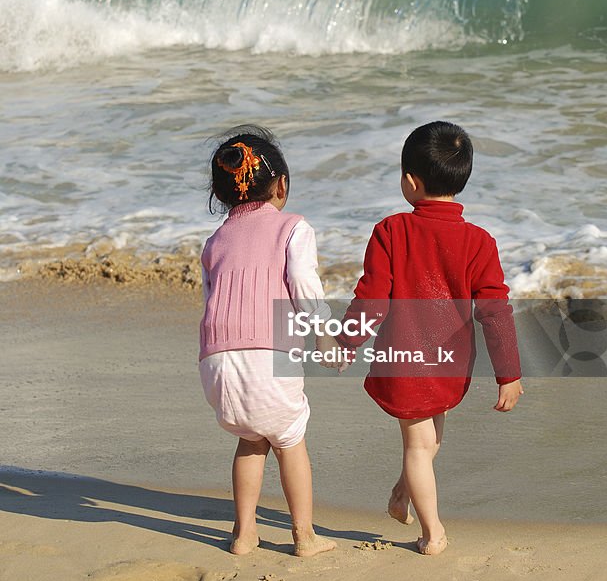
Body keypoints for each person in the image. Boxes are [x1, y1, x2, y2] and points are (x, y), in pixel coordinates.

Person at [329, 121, 523, 556]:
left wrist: (346, 341)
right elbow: (494, 311)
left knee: (422, 445)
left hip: (406, 361)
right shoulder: (480, 241)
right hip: (451, 362)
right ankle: (404, 494)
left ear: (410, 182)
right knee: (427, 441)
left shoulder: (391, 231)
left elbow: (372, 299)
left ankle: (432, 532)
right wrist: (508, 373)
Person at [199, 126, 336, 558]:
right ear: (281, 185)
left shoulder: (214, 241)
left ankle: (244, 534)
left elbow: (211, 299)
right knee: (289, 438)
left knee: (250, 438)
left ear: (222, 194)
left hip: (216, 362)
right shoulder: (292, 227)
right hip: (267, 355)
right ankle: (305, 537)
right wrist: (323, 331)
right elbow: (301, 280)